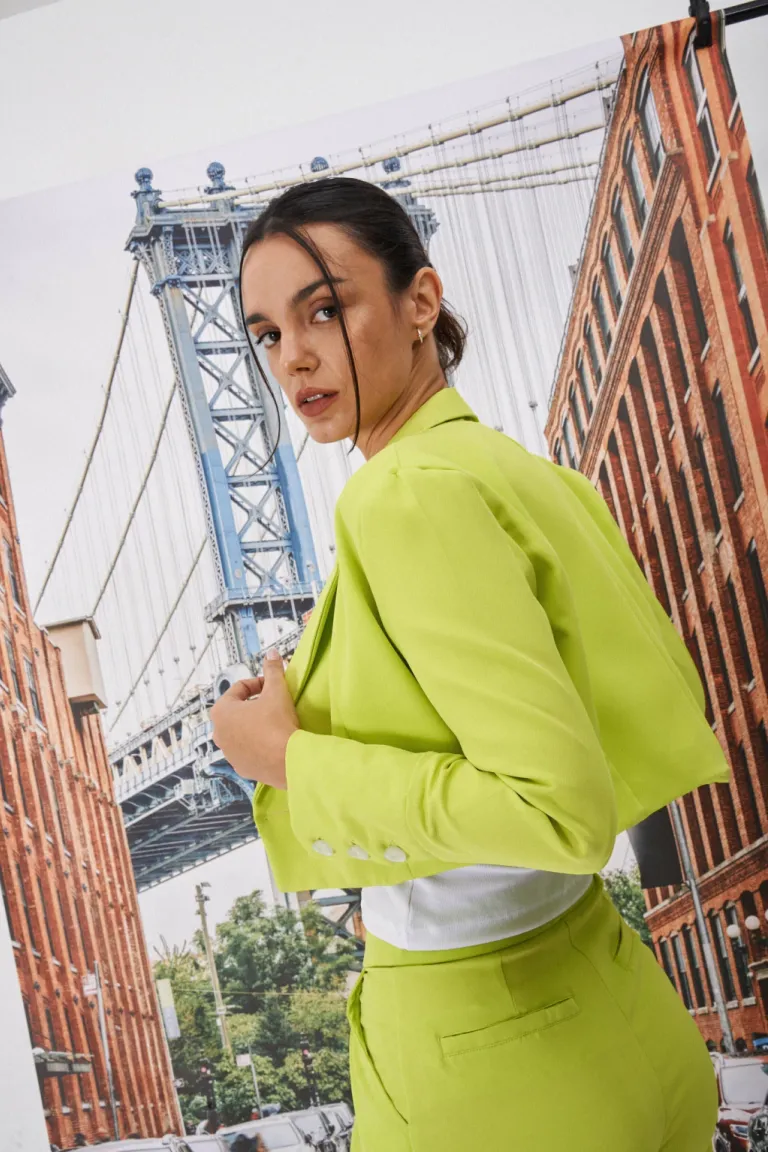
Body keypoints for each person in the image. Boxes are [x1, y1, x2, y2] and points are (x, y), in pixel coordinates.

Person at [211, 176, 731, 1151]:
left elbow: (553, 811)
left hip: (491, 1068)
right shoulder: (531, 475)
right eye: (267, 332)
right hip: (614, 1002)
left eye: (326, 308)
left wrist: (285, 758)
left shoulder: (399, 498)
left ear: (421, 302)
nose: (296, 358)